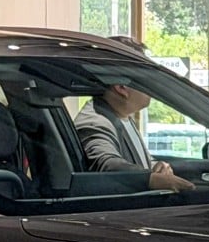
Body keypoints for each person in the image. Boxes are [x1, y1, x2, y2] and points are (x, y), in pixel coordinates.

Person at [74, 36, 194, 192]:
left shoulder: (121, 116)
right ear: (121, 87)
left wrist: (156, 167)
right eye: (146, 78)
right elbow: (107, 165)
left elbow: (135, 162)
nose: (151, 86)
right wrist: (151, 179)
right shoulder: (95, 122)